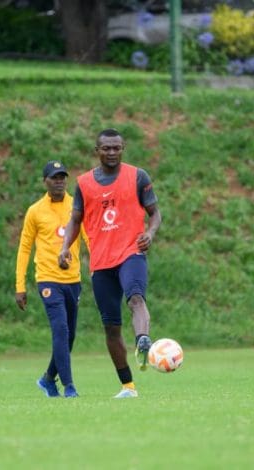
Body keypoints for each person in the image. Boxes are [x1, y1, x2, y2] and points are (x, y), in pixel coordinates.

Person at [58, 128, 161, 399]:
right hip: (101, 262)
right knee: (111, 327)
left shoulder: (138, 176)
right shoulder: (83, 183)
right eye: (107, 148)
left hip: (131, 252)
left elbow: (155, 213)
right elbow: (75, 220)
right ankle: (128, 386)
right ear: (97, 150)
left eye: (117, 148)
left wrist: (149, 233)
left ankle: (142, 340)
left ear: (123, 148)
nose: (112, 152)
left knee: (136, 299)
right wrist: (65, 247)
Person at [15, 160, 88, 398]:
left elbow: (88, 239)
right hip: (47, 279)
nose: (59, 182)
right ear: (44, 181)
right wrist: (20, 286)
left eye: (62, 177)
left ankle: (48, 379)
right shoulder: (35, 211)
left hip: (73, 280)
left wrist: (98, 267)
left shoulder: (76, 207)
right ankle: (69, 386)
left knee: (70, 336)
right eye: (54, 178)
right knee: (60, 330)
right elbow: (25, 248)